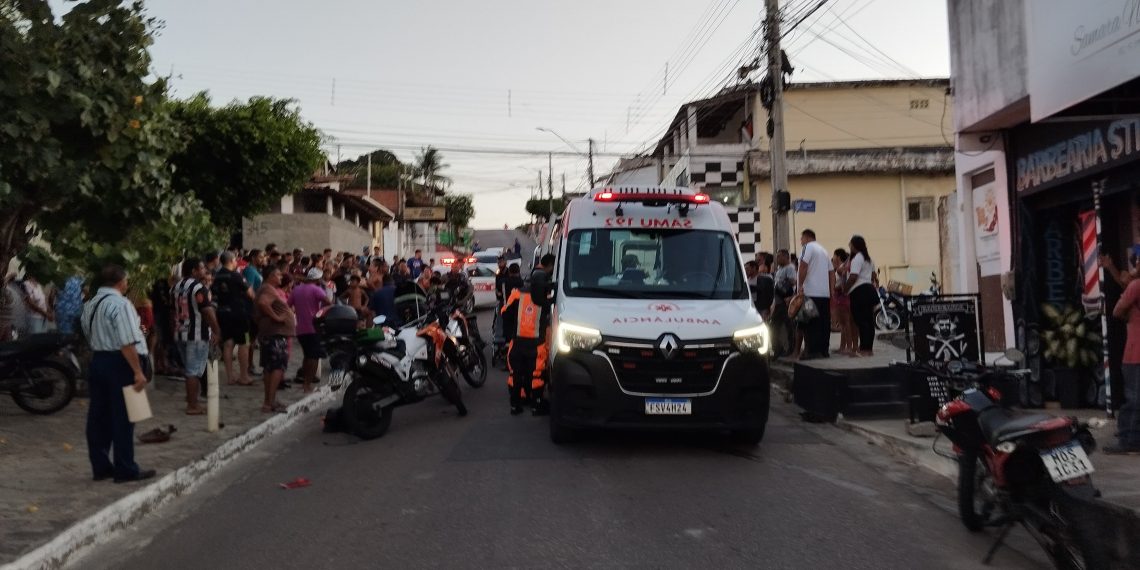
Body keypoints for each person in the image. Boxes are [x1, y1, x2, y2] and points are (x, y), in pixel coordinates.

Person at [82, 265, 156, 483]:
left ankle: (101, 466)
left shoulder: (91, 304)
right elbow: (126, 342)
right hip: (121, 362)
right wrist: (138, 371)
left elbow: (87, 333)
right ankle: (125, 468)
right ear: (121, 282)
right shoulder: (121, 304)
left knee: (98, 416)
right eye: (126, 280)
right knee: (124, 416)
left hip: (99, 359)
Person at [501, 254, 555, 416]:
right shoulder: (547, 297)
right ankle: (536, 405)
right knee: (536, 374)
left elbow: (505, 312)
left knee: (516, 374)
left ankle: (515, 405)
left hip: (518, 341)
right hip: (537, 343)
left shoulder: (517, 293)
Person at [173, 258, 221, 414]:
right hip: (196, 334)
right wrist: (216, 330)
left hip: (180, 332)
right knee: (193, 371)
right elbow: (207, 310)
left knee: (189, 369)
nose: (204, 271)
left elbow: (171, 311)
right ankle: (192, 405)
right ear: (193, 271)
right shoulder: (198, 288)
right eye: (201, 268)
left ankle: (192, 400)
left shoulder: (175, 287)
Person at [255, 267, 295, 413]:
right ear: (271, 276)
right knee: (277, 367)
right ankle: (269, 402)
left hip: (271, 333)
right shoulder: (268, 289)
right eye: (278, 274)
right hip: (275, 334)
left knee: (270, 367)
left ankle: (270, 400)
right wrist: (277, 318)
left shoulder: (266, 288)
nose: (281, 277)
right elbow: (263, 303)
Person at [212, 252, 255, 386]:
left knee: (228, 343)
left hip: (223, 313)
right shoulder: (236, 276)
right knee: (245, 343)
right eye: (235, 260)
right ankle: (244, 375)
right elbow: (250, 293)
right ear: (231, 260)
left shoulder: (217, 277)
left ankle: (230, 376)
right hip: (239, 314)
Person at [289, 268, 331, 393]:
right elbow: (328, 302)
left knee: (307, 355)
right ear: (318, 279)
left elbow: (288, 305)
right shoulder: (316, 289)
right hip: (313, 327)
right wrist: (322, 312)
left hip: (300, 328)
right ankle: (307, 385)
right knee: (314, 357)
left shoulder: (296, 289)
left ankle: (304, 382)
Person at [797, 229, 834, 359]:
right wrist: (831, 291)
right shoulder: (824, 251)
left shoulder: (808, 247)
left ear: (807, 237)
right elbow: (831, 272)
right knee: (823, 323)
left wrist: (800, 286)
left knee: (808, 322)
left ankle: (811, 351)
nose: (801, 242)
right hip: (824, 295)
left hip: (810, 294)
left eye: (801, 239)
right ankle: (823, 350)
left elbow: (803, 266)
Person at [845, 235, 878, 357]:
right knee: (869, 321)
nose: (849, 246)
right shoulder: (869, 259)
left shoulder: (857, 258)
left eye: (850, 244)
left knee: (861, 320)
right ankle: (868, 349)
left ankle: (863, 349)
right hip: (869, 289)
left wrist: (845, 289)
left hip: (859, 291)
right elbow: (874, 275)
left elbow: (853, 276)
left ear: (855, 245)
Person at [771, 250, 796, 357]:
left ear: (786, 257)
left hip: (785, 302)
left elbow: (793, 283)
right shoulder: (779, 269)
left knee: (788, 326)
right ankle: (778, 348)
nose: (777, 259)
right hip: (777, 302)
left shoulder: (790, 268)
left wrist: (789, 297)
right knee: (774, 326)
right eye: (777, 256)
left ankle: (790, 349)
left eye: (779, 256)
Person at [832, 249, 857, 356]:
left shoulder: (842, 268)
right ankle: (843, 347)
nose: (833, 257)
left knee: (846, 323)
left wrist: (834, 288)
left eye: (834, 255)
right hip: (840, 297)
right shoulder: (841, 267)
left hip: (843, 298)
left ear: (838, 256)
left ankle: (849, 347)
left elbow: (843, 283)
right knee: (843, 324)